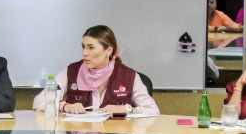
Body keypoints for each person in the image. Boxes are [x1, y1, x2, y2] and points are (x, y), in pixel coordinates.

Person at [31, 25, 159, 116]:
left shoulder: (129, 75)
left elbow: (153, 110)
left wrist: (127, 109)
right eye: (83, 47)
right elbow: (39, 102)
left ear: (109, 50)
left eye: (91, 48)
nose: (85, 53)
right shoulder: (71, 71)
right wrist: (65, 106)